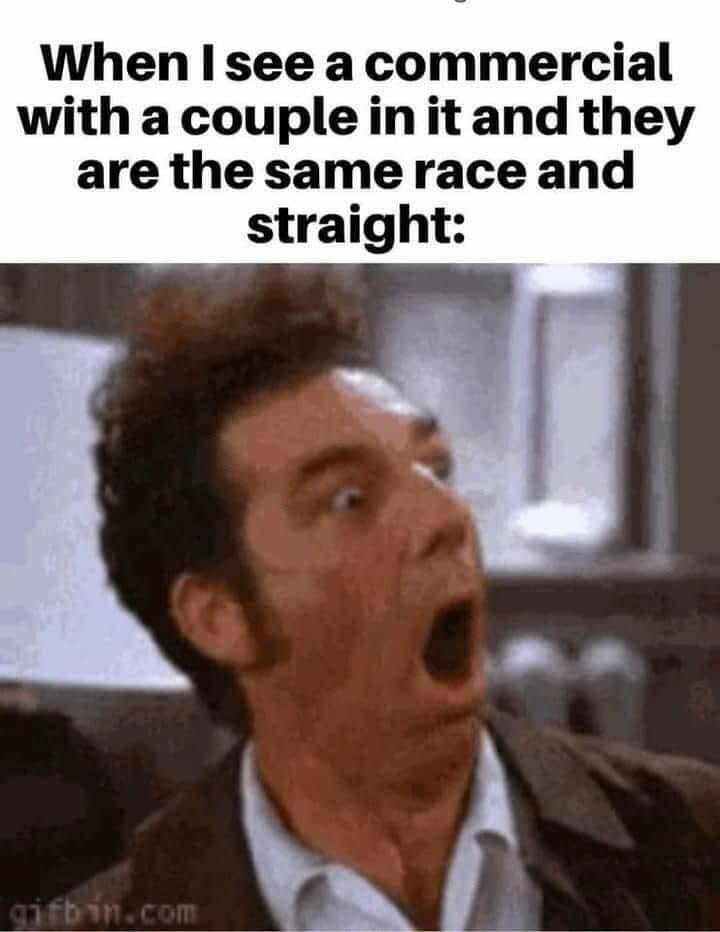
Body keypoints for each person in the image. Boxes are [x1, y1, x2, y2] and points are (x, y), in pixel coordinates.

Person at [28, 271, 720, 930]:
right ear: (220, 617)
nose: (446, 516)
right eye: (349, 498)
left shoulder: (696, 845)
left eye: (436, 469)